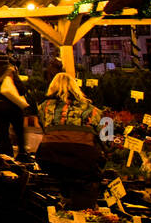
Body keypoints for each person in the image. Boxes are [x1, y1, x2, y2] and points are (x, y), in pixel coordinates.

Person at [36, 73, 104, 206]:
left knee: (61, 174)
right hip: (83, 157)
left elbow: (45, 127)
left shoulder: (44, 106)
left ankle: (64, 198)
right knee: (87, 177)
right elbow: (105, 135)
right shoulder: (93, 110)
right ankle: (83, 206)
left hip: (50, 156)